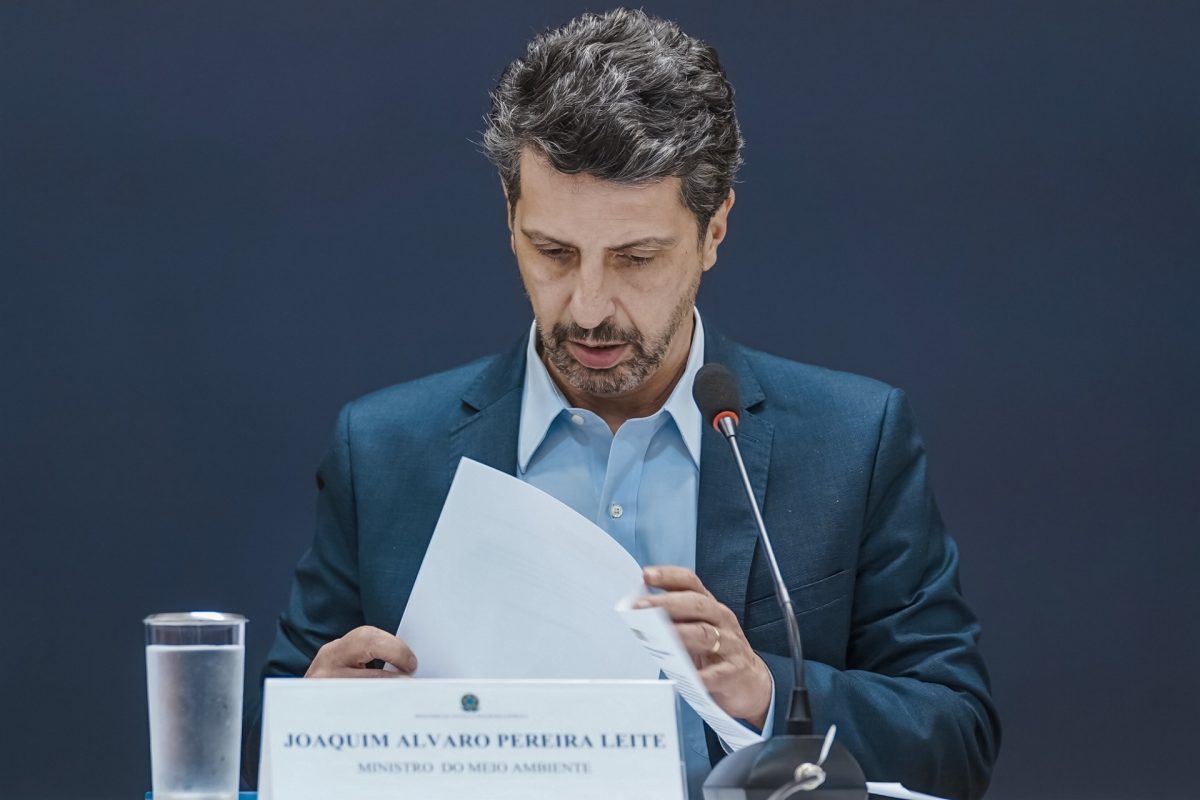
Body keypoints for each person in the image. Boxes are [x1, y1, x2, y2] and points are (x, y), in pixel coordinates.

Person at [244, 8, 1000, 799]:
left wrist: (766, 691)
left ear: (714, 230)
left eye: (636, 258)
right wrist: (313, 724)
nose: (589, 307)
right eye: (554, 252)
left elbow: (956, 736)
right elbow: (263, 746)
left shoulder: (853, 442)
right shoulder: (384, 451)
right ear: (509, 216)